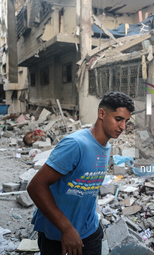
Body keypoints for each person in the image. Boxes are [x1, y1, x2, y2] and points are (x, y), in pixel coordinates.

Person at [27, 92, 135, 255]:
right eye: (118, 119)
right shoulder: (76, 144)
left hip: (89, 231)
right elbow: (36, 187)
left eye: (126, 121)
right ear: (102, 114)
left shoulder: (105, 147)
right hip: (59, 235)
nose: (123, 127)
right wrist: (67, 228)